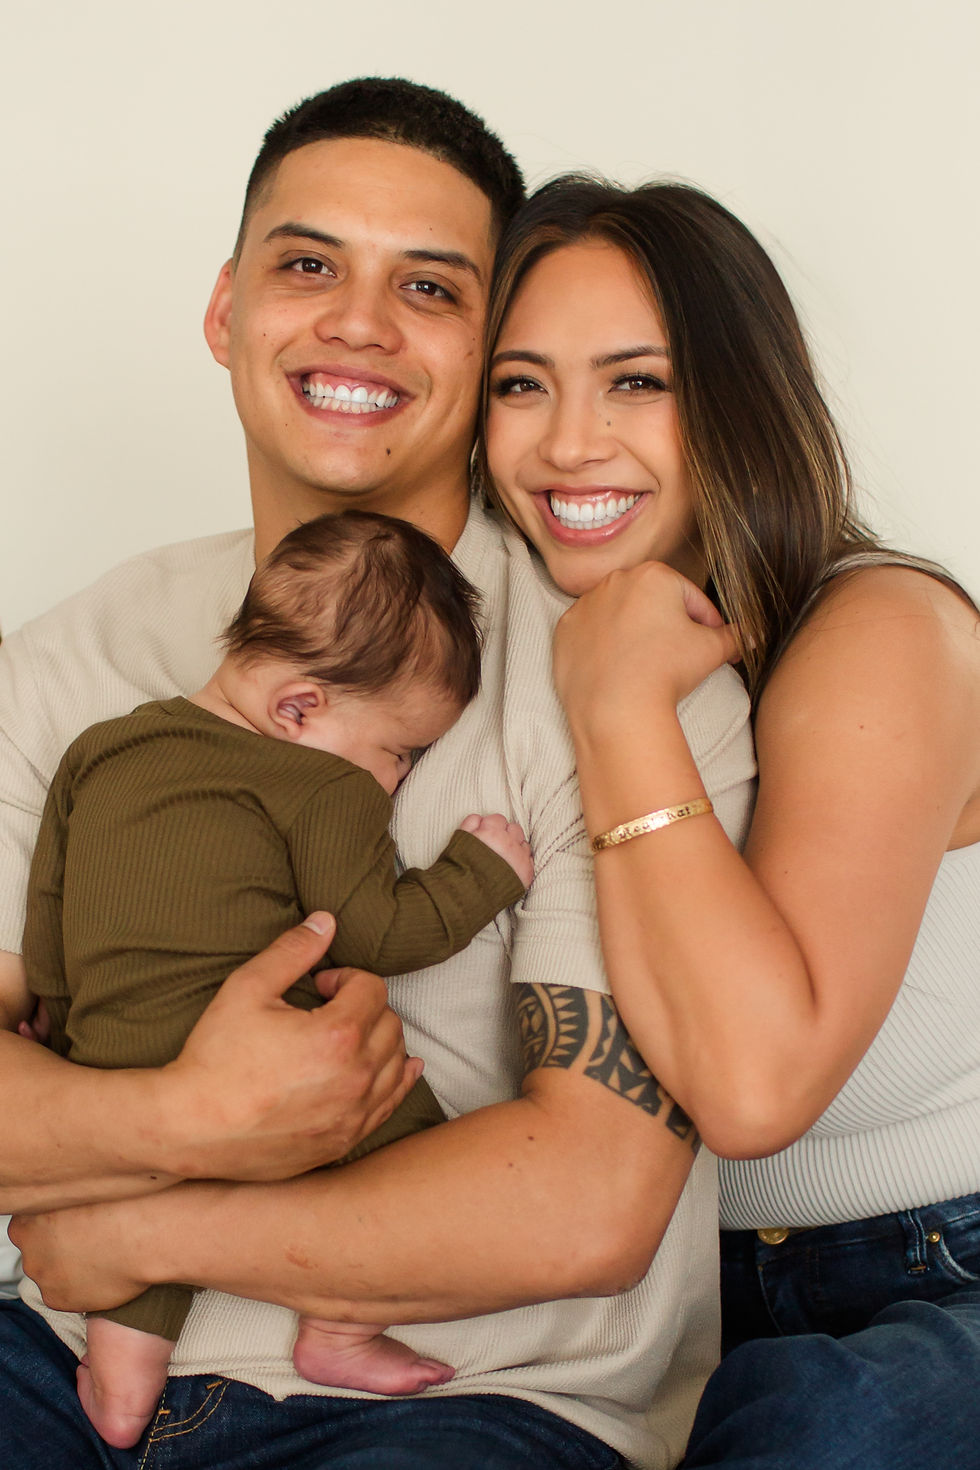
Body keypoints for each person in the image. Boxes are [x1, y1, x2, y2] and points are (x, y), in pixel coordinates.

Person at [1, 81, 756, 1469]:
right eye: (308, 266)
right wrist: (186, 1114)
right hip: (42, 1354)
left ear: (489, 353)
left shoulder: (625, 677)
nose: (358, 321)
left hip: (469, 1399)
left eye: (428, 286)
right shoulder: (73, 654)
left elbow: (586, 1201)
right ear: (226, 310)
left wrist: (128, 1212)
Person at [481, 175, 980, 1469]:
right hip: (656, 1298)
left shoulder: (878, 629)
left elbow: (753, 1090)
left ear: (738, 399)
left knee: (825, 1430)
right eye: (521, 384)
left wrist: (619, 706)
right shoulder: (489, 647)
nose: (569, 443)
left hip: (935, 1262)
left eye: (637, 382)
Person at [25, 508, 533, 1446]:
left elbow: (47, 907)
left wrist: (56, 1020)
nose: (396, 777)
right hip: (265, 1061)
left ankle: (123, 1381)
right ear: (299, 709)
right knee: (406, 1143)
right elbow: (377, 931)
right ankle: (340, 1326)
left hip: (103, 1048)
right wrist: (482, 874)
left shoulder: (103, 746)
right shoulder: (322, 783)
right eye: (399, 751)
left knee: (140, 1191)